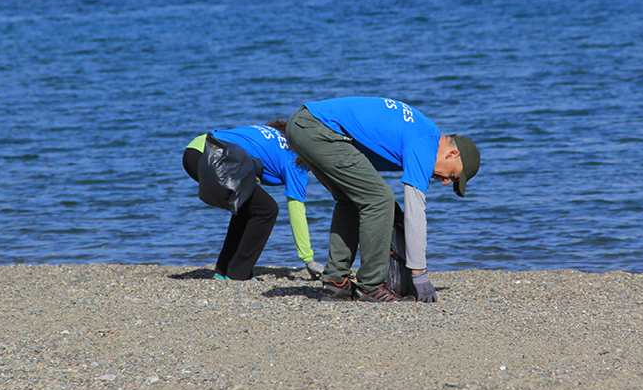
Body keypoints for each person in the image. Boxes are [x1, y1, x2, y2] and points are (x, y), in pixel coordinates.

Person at [286, 97, 480, 304]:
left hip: (304, 124)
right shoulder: (424, 145)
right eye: (453, 176)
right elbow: (415, 213)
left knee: (351, 199)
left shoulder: (423, 132)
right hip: (319, 128)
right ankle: (370, 287)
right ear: (452, 154)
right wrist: (419, 275)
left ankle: (336, 283)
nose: (445, 182)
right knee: (380, 200)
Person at [183, 121, 324, 281]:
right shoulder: (294, 163)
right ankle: (238, 274)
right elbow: (297, 212)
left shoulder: (278, 135)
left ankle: (224, 270)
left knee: (248, 207)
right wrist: (309, 260)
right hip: (213, 155)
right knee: (267, 210)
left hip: (196, 150)